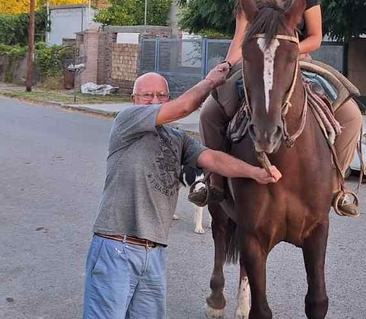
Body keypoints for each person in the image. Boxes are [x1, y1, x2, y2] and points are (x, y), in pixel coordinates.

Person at [82, 66, 282, 319]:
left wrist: (255, 172)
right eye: (146, 95)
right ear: (134, 100)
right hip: (116, 248)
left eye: (160, 95)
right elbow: (184, 107)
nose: (154, 101)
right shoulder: (127, 121)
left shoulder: (177, 138)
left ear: (167, 97)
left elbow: (214, 159)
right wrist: (211, 81)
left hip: (153, 253)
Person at [189, 0, 363, 216]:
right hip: (255, 61)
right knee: (210, 112)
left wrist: (287, 51)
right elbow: (240, 39)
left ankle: (335, 186)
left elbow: (316, 37)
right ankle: (214, 180)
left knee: (352, 116)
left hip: (296, 60)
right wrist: (226, 66)